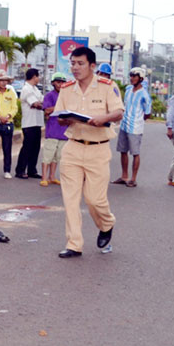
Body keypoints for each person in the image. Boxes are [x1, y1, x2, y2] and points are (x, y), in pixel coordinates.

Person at [55, 46, 124, 258]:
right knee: (71, 199)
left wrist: (103, 119)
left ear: (92, 66)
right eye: (73, 64)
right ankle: (74, 244)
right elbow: (59, 117)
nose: (75, 68)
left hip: (98, 149)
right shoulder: (67, 89)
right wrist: (66, 118)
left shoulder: (107, 86)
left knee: (95, 199)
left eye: (80, 64)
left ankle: (106, 223)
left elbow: (119, 112)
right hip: (73, 147)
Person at [113, 67, 152, 188]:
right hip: (124, 125)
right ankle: (124, 176)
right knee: (123, 151)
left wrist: (138, 120)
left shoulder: (145, 95)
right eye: (131, 76)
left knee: (135, 153)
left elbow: (147, 113)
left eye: (134, 76)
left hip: (135, 127)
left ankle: (133, 178)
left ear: (140, 78)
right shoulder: (129, 90)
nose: (132, 78)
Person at [40, 72, 69, 187]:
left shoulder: (67, 96)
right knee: (48, 155)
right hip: (52, 131)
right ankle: (44, 177)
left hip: (63, 131)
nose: (60, 84)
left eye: (62, 82)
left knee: (58, 157)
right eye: (58, 82)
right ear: (53, 83)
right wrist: (59, 107)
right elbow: (46, 110)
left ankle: (52, 176)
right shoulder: (49, 96)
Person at [15, 68, 44, 179]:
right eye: (38, 76)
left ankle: (32, 170)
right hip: (29, 123)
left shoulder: (35, 89)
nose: (39, 78)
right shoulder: (26, 89)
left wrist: (43, 104)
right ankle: (20, 170)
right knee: (27, 148)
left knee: (35, 148)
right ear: (34, 77)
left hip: (37, 122)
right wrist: (45, 107)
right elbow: (36, 103)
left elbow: (43, 100)